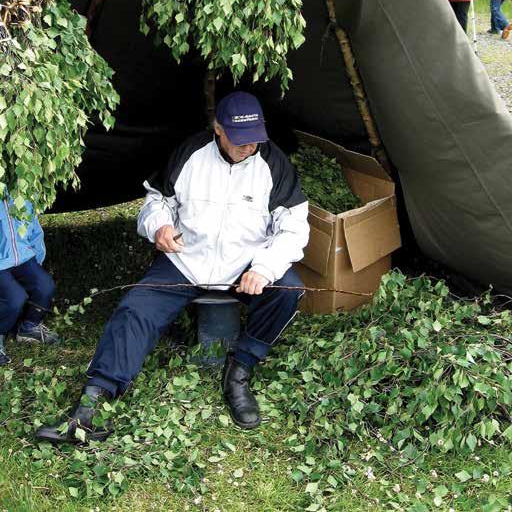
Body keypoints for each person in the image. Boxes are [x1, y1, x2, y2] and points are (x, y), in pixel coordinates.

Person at [36, 91, 309, 443]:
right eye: (240, 141)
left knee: (288, 291)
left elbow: (295, 226)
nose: (249, 148)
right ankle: (92, 403)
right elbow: (156, 200)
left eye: (255, 139)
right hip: (186, 261)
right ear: (218, 130)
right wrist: (159, 227)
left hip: (247, 265)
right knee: (135, 311)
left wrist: (264, 268)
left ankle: (239, 370)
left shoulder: (275, 165)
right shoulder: (189, 152)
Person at [0, 199, 60, 366]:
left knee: (45, 286)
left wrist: (37, 257)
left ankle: (29, 327)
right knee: (14, 299)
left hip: (23, 256)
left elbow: (34, 228)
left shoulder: (21, 192)